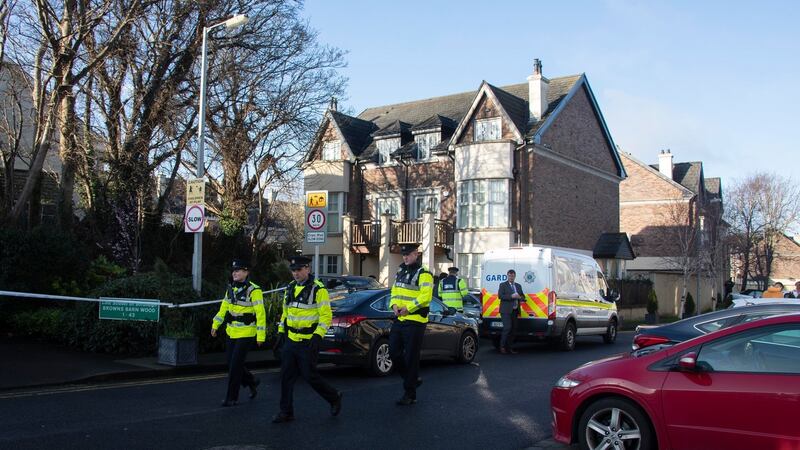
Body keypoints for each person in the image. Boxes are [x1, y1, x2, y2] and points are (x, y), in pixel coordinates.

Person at [272, 255, 342, 423]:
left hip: (307, 341)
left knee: (309, 376)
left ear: (307, 269)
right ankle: (286, 412)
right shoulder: (289, 288)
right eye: (293, 271)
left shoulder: (318, 290)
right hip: (291, 340)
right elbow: (286, 313)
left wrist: (318, 336)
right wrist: (281, 332)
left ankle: (334, 397)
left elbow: (326, 316)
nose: (295, 274)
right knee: (286, 377)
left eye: (299, 270)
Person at [211, 259, 266, 407]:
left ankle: (232, 397)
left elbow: (261, 314)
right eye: (233, 270)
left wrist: (261, 336)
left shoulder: (254, 290)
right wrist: (216, 324)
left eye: (238, 270)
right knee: (232, 363)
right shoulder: (231, 288)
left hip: (247, 333)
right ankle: (252, 381)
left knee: (235, 366)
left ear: (246, 272)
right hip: (231, 331)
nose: (234, 273)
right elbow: (223, 308)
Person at [389, 243, 433, 406]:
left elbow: (425, 296)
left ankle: (410, 393)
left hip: (415, 321)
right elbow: (394, 291)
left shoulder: (424, 274)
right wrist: (393, 305)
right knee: (393, 352)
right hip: (400, 319)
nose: (405, 257)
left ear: (416, 254)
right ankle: (413, 378)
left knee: (411, 357)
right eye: (404, 255)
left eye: (408, 254)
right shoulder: (400, 271)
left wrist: (408, 308)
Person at [497, 269, 524, 354]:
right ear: (507, 276)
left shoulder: (518, 286)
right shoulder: (503, 285)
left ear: (515, 276)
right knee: (507, 328)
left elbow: (523, 296)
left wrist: (520, 297)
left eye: (513, 276)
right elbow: (500, 296)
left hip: (515, 310)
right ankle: (502, 347)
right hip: (505, 310)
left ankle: (510, 347)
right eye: (510, 276)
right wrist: (511, 296)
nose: (511, 277)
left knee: (514, 329)